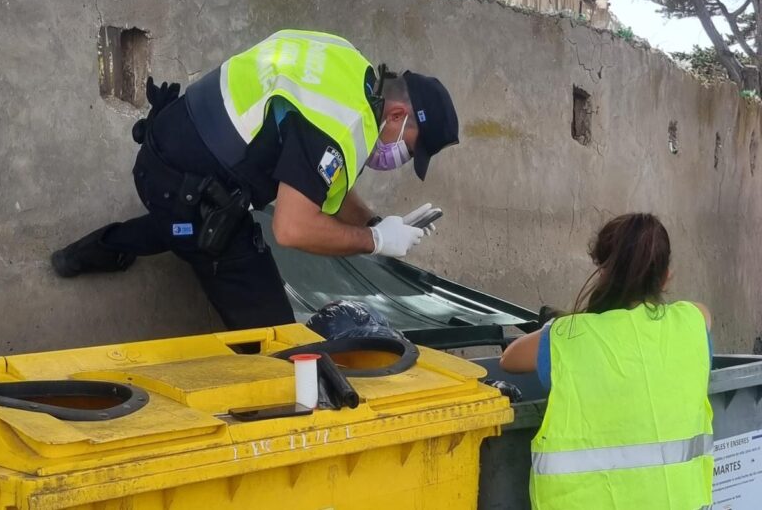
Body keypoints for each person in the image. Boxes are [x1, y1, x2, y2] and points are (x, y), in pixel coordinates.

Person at [51, 29, 459, 330]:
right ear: (396, 116)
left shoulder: (348, 63)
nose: (402, 158)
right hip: (185, 187)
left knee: (187, 226)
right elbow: (292, 228)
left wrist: (373, 223)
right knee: (277, 337)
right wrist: (376, 243)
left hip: (166, 146)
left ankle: (89, 252)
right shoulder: (343, 124)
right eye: (410, 147)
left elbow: (317, 176)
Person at [500, 213, 713, 510]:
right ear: (666, 277)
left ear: (603, 272)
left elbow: (509, 358)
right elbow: (702, 314)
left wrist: (561, 325)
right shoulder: (692, 324)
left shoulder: (566, 337)